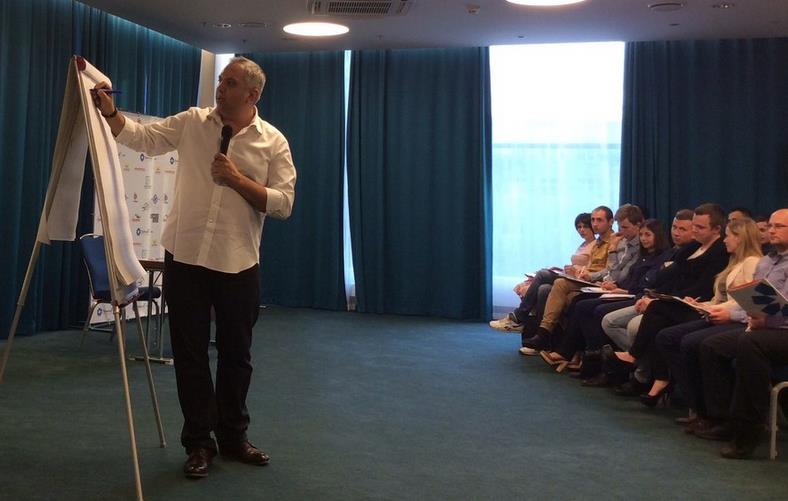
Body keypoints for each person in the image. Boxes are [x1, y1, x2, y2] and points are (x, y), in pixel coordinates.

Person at [93, 57, 297, 478]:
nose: (221, 88)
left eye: (231, 83)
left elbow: (284, 203)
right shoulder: (192, 122)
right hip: (185, 258)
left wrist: (238, 179)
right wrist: (111, 112)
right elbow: (144, 138)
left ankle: (234, 437)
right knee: (190, 356)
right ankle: (199, 443)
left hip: (238, 263)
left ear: (252, 94)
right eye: (221, 80)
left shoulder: (273, 142)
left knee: (236, 355)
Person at [608, 203, 729, 406]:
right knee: (658, 320)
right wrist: (661, 295)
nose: (694, 231)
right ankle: (658, 378)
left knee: (658, 316)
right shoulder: (694, 247)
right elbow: (667, 274)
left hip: (699, 304)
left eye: (699, 227)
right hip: (681, 300)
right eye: (693, 226)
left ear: (717, 229)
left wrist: (667, 297)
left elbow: (703, 285)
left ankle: (640, 362)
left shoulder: (719, 252)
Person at [696, 209, 788, 458]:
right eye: (770, 226)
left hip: (780, 329)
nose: (771, 231)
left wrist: (763, 318)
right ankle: (723, 418)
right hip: (762, 327)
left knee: (750, 343)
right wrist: (750, 314)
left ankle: (749, 428)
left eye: (779, 226)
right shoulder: (766, 262)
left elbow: (782, 307)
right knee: (713, 345)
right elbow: (754, 299)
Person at [652, 218, 762, 420]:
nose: (725, 240)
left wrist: (713, 308)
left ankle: (706, 410)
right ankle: (696, 403)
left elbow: (748, 301)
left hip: (737, 320)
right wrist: (703, 304)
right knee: (667, 336)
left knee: (688, 341)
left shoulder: (752, 262)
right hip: (721, 314)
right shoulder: (735, 261)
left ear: (741, 238)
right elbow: (723, 299)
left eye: (728, 236)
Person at [490, 213, 595, 332]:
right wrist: (562, 269)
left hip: (579, 279)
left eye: (585, 226)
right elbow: (577, 265)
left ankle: (519, 316)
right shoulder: (583, 245)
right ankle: (538, 331)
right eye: (579, 227)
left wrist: (575, 272)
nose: (581, 230)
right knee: (543, 289)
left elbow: (590, 268)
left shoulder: (595, 245)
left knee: (542, 274)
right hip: (571, 276)